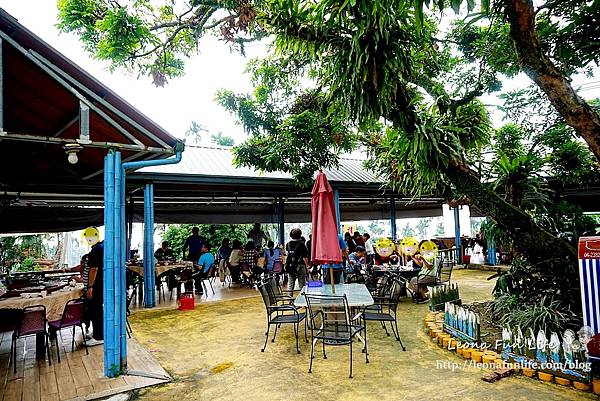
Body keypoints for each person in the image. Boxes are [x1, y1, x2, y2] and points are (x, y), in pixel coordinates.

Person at [82, 227, 104, 345]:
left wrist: (90, 286)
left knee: (96, 309)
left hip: (97, 284)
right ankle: (98, 331)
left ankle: (99, 336)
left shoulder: (96, 250)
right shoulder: (101, 247)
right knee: (96, 309)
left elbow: (94, 269)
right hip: (102, 282)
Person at [285, 228, 309, 295]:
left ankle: (290, 299)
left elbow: (288, 255)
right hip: (300, 266)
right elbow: (305, 257)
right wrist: (307, 267)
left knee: (290, 283)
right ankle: (303, 299)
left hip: (290, 266)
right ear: (300, 235)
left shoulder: (288, 244)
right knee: (302, 284)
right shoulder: (302, 244)